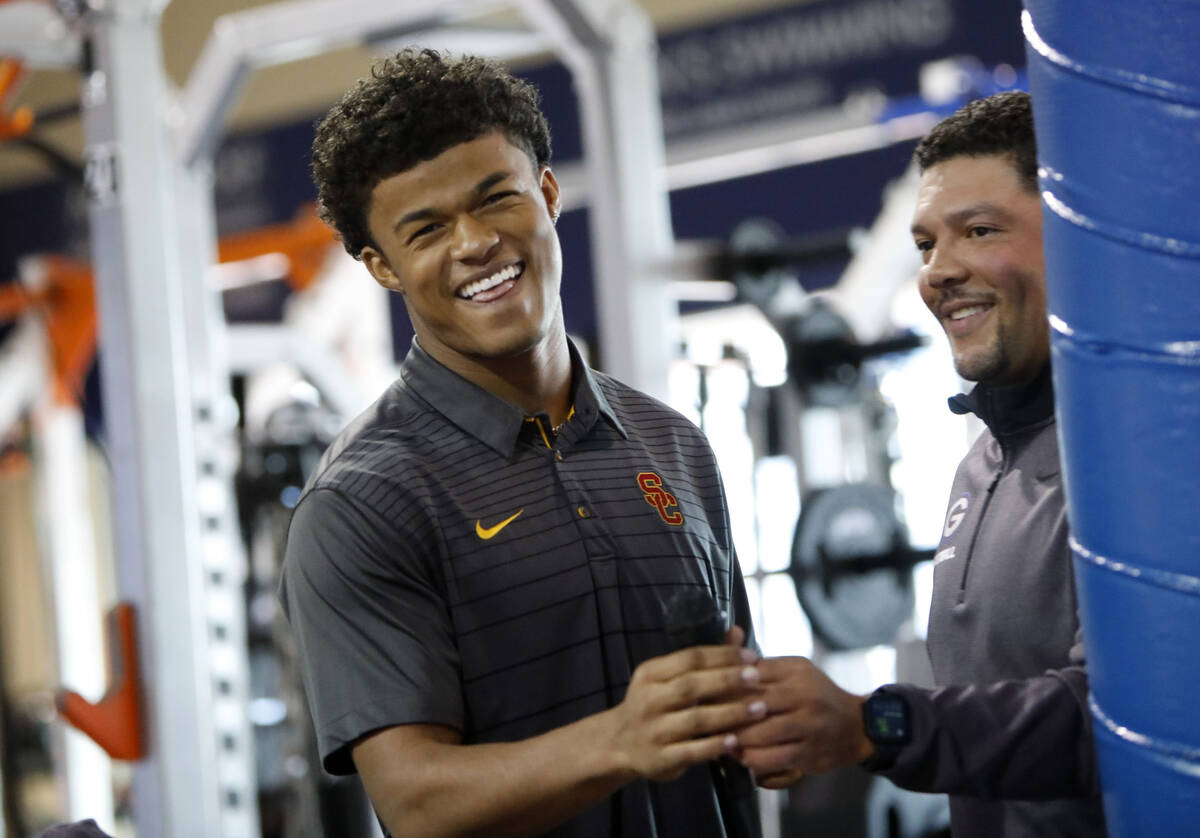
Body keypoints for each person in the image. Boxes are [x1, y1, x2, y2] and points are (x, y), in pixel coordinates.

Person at [279, 48, 764, 838]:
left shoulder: (674, 445)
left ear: (544, 194)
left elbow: (729, 712)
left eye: (495, 198)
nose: (474, 243)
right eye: (426, 229)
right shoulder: (360, 507)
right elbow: (415, 804)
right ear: (381, 267)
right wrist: (618, 741)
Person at [733, 91, 1108, 837]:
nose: (938, 270)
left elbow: (1121, 718)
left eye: (978, 230)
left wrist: (877, 724)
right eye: (926, 245)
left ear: (1076, 232)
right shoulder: (979, 464)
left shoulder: (1138, 453)